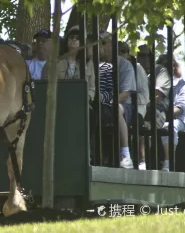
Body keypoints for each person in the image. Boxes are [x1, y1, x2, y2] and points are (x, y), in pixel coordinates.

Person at [98, 32, 136, 169]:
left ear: (111, 45)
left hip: (122, 105)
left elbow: (125, 94)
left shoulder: (124, 65)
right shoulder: (93, 64)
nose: (99, 47)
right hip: (99, 104)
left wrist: (106, 103)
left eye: (102, 43)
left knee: (116, 108)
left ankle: (125, 154)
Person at [119, 41, 150, 170]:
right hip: (122, 104)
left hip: (138, 107)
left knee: (135, 124)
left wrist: (128, 95)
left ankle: (138, 159)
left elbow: (145, 97)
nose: (120, 55)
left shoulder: (137, 68)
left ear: (127, 54)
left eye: (122, 52)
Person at [44, 25, 95, 102]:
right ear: (67, 41)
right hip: (58, 101)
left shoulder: (88, 63)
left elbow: (91, 87)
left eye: (78, 38)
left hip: (81, 102)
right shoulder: (54, 61)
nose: (74, 39)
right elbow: (45, 83)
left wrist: (87, 98)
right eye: (71, 37)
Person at [157, 55, 185, 171]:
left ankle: (167, 162)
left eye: (168, 64)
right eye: (163, 64)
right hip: (157, 116)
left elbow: (182, 107)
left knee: (169, 127)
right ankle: (143, 160)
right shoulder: (155, 81)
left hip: (176, 119)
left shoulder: (180, 83)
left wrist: (165, 114)